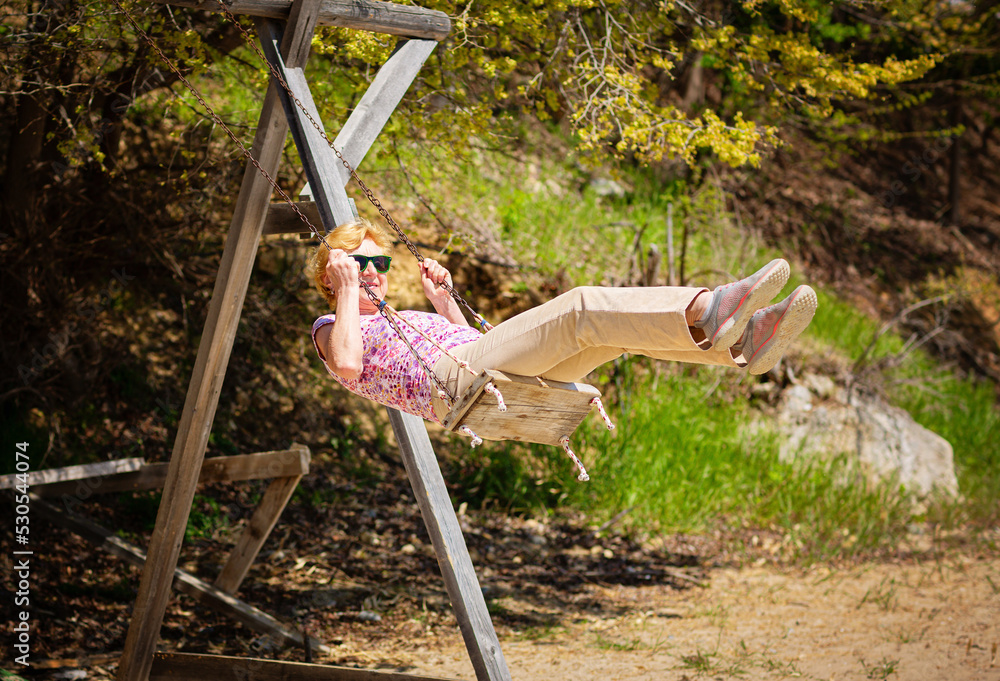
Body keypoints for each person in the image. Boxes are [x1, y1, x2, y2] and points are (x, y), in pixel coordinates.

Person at [311, 218, 817, 424]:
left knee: (622, 333)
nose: (375, 275)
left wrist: (442, 302)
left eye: (381, 265)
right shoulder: (331, 326)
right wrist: (347, 289)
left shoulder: (401, 317)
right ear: (333, 274)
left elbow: (473, 341)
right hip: (456, 384)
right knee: (580, 307)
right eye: (363, 265)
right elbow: (350, 367)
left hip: (482, 370)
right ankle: (709, 308)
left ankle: (741, 345)